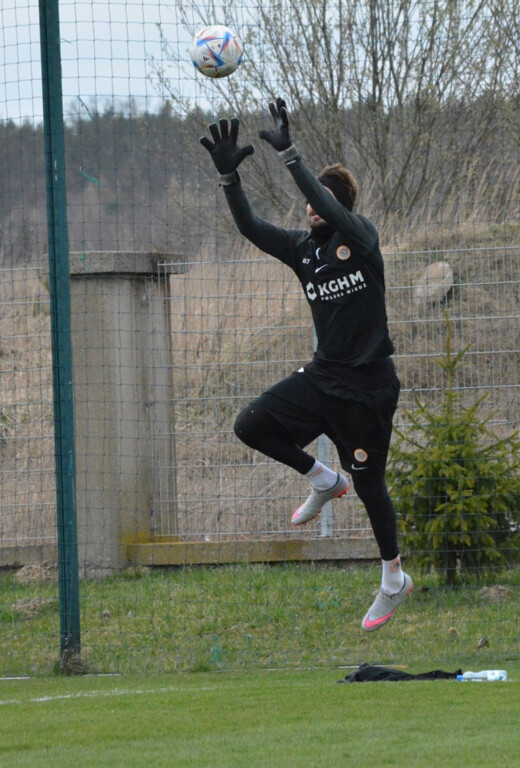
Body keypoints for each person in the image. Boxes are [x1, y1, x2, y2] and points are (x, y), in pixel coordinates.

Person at [200, 99, 412, 631]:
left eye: (322, 203)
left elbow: (328, 203)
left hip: (369, 388)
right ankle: (322, 477)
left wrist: (293, 157)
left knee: (371, 487)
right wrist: (230, 177)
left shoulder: (360, 239)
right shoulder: (302, 250)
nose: (311, 211)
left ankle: (393, 579)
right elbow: (250, 226)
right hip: (323, 377)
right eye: (310, 204)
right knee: (250, 425)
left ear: (338, 207)